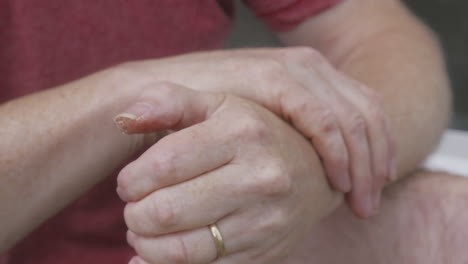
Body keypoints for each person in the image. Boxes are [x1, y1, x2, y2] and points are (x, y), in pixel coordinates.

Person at [0, 0, 464, 263]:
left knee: (448, 217)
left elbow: (380, 37)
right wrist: (129, 93)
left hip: (199, 230)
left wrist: (309, 161)